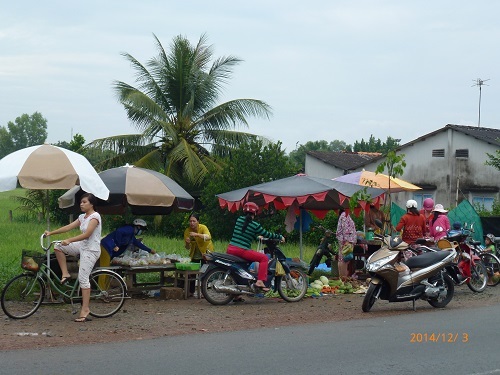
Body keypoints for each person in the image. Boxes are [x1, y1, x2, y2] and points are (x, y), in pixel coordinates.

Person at [44, 193, 102, 323]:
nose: (81, 204)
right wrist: (51, 233)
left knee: (83, 279)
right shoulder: (82, 217)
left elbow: (87, 234)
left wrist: (70, 240)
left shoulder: (95, 216)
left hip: (91, 250)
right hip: (82, 246)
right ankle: (65, 273)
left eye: (84, 202)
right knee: (58, 247)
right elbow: (68, 227)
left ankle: (85, 309)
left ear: (91, 204)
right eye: (81, 202)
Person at [226, 202, 284, 292]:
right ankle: (260, 281)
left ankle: (236, 294)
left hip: (231, 249)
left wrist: (257, 238)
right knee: (264, 258)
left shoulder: (239, 220)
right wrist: (280, 237)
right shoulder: (255, 225)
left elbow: (246, 234)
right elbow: (267, 234)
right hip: (241, 250)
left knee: (243, 267)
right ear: (255, 212)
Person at [183, 213, 214, 296]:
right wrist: (187, 243)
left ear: (198, 222)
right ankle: (191, 291)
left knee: (205, 272)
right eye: (190, 221)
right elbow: (187, 247)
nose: (192, 223)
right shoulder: (187, 231)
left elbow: (208, 237)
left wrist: (197, 235)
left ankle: (204, 292)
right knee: (192, 273)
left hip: (205, 253)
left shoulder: (203, 227)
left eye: (194, 221)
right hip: (195, 254)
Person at [336, 207, 357, 278]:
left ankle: (342, 277)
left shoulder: (344, 215)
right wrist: (347, 241)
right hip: (346, 241)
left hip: (345, 241)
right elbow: (346, 230)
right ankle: (343, 277)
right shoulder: (345, 215)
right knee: (344, 260)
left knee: (342, 259)